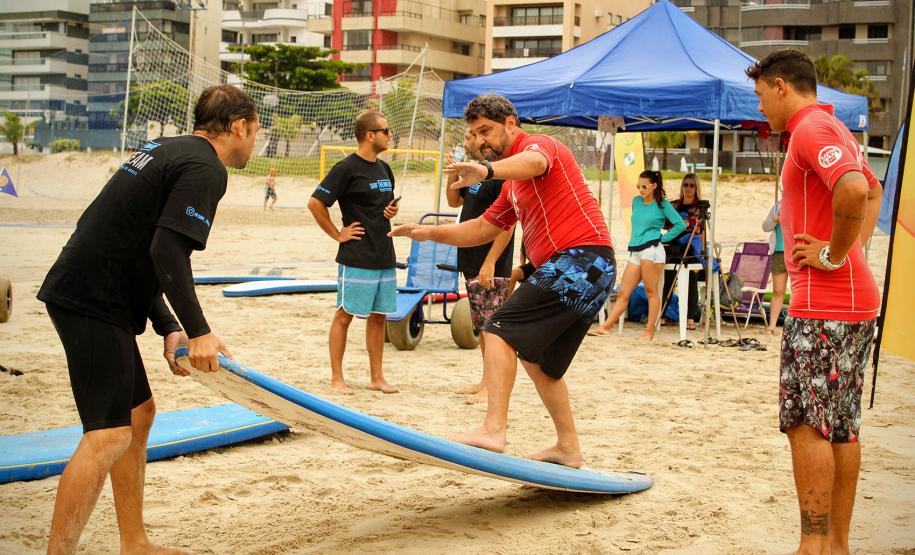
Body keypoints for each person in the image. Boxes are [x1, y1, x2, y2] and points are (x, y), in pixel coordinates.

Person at [36, 85, 259, 554]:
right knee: (107, 433)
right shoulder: (205, 167)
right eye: (255, 130)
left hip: (97, 290)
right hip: (92, 298)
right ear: (238, 126)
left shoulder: (168, 149)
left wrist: (166, 323)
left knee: (139, 415)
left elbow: (135, 240)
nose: (254, 141)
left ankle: (134, 543)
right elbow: (167, 250)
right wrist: (198, 330)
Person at [390, 93, 616, 468]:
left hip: (583, 259)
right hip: (590, 270)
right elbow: (480, 228)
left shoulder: (540, 146)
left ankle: (494, 429)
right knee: (538, 361)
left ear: (510, 123)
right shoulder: (512, 187)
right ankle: (568, 448)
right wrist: (428, 233)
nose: (480, 142)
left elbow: (534, 162)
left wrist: (486, 171)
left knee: (498, 328)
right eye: (475, 134)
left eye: (486, 131)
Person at [747, 49, 882, 555]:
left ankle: (813, 544)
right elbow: (872, 191)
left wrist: (832, 254)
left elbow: (852, 189)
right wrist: (851, 254)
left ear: (781, 86)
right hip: (852, 303)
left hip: (824, 304)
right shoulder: (835, 129)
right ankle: (837, 546)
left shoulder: (809, 130)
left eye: (761, 95)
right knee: (842, 426)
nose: (760, 107)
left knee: (807, 423)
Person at [308, 111, 400, 395]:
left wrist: (390, 210)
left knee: (378, 317)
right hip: (357, 255)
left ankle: (377, 378)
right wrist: (338, 233)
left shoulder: (385, 169)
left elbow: (380, 206)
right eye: (385, 130)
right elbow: (315, 203)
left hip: (384, 252)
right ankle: (338, 378)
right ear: (369, 135)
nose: (390, 135)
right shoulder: (346, 168)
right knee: (345, 315)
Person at [445, 131, 515, 405]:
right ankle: (486, 381)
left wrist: (491, 261)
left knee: (493, 329)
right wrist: (452, 173)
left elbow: (508, 223)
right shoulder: (472, 172)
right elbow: (454, 202)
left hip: (491, 261)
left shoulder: (498, 173)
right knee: (483, 326)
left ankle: (493, 387)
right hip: (471, 256)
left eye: (470, 137)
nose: (465, 142)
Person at [588, 170, 685, 339]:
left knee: (651, 291)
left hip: (652, 250)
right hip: (636, 250)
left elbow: (680, 224)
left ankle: (649, 331)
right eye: (638, 186)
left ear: (654, 186)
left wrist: (662, 238)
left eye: (644, 186)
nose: (640, 189)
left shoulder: (663, 205)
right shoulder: (636, 202)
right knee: (624, 292)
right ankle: (605, 327)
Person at [660, 174, 705, 330]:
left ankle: (690, 318)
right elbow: (664, 222)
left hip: (690, 248)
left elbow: (695, 226)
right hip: (673, 247)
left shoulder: (700, 207)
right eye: (685, 185)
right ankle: (662, 315)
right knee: (668, 282)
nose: (688, 188)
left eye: (692, 185)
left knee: (691, 282)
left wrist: (678, 225)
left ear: (696, 187)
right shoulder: (674, 205)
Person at [762, 199, 789, 334]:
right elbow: (765, 226)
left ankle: (792, 324)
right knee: (778, 290)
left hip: (796, 251)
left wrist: (783, 220)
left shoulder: (803, 202)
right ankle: (772, 325)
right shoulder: (778, 205)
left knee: (798, 290)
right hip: (779, 251)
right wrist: (775, 220)